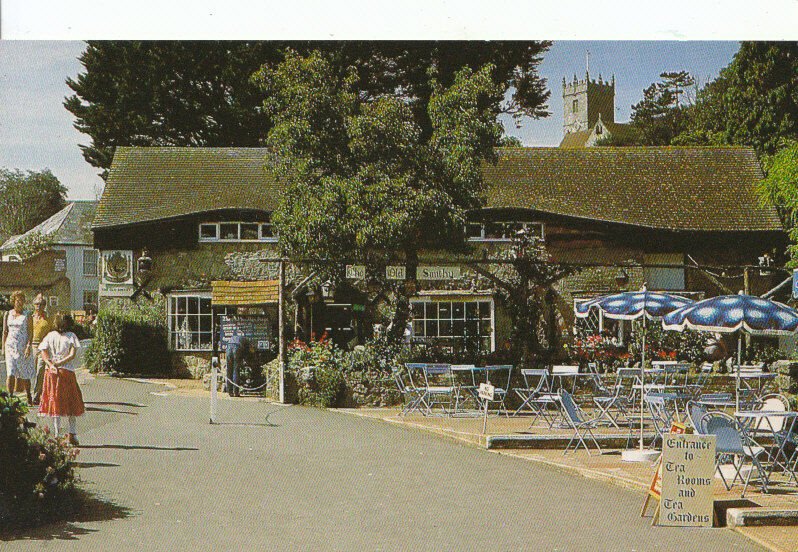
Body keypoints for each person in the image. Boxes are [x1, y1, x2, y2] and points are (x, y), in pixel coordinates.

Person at [38, 314, 84, 446]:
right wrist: (59, 363)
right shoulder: (71, 336)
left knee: (55, 402)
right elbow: (72, 355)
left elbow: (43, 351)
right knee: (71, 402)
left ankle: (57, 434)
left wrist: (50, 364)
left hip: (52, 372)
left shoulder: (50, 335)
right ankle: (72, 434)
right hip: (66, 372)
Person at [2, 290, 34, 403]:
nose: (19, 302)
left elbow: (30, 332)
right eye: (17, 300)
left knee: (24, 373)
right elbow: (5, 331)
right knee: (10, 372)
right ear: (13, 301)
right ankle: (10, 397)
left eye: (21, 300)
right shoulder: (8, 314)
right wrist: (3, 348)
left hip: (22, 347)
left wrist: (28, 346)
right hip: (10, 346)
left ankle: (29, 395)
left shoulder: (27, 315)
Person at [31, 293, 53, 405]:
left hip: (42, 348)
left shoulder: (48, 319)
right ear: (34, 305)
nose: (39, 306)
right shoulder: (30, 318)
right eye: (37, 304)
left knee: (40, 371)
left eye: (42, 304)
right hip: (31, 347)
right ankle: (29, 395)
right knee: (31, 372)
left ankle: (36, 396)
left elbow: (51, 334)